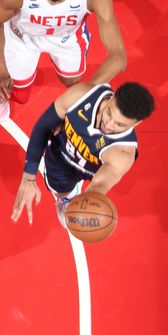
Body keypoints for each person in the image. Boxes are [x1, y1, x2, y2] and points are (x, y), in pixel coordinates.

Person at [11, 81, 155, 226]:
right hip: (62, 154)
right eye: (109, 113)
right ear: (111, 98)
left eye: (119, 124)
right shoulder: (81, 96)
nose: (108, 124)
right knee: (61, 191)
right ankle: (67, 199)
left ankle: (72, 200)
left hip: (92, 169)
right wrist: (28, 177)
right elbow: (44, 125)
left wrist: (88, 205)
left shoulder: (122, 152)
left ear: (136, 124)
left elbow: (99, 184)